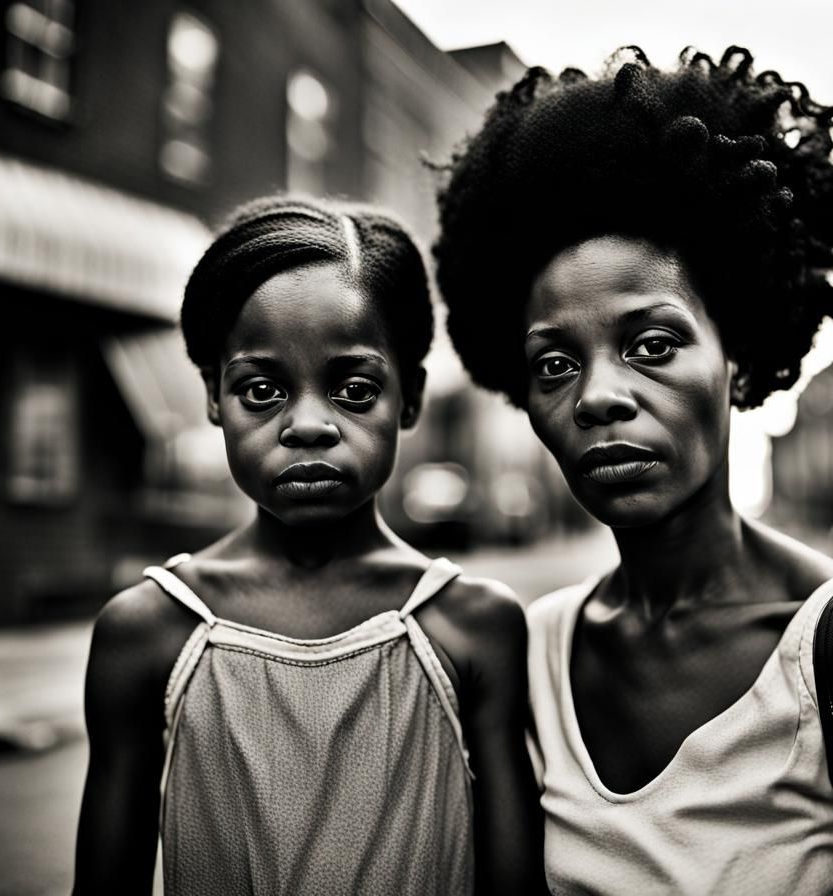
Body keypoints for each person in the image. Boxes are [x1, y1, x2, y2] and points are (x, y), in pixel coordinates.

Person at [433, 47, 833, 893]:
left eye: (652, 345)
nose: (598, 397)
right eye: (554, 364)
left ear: (738, 357)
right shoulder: (528, 656)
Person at [74, 195, 544, 895]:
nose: (308, 424)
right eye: (262, 390)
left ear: (408, 397)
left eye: (354, 389)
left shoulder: (474, 628)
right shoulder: (147, 635)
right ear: (214, 395)